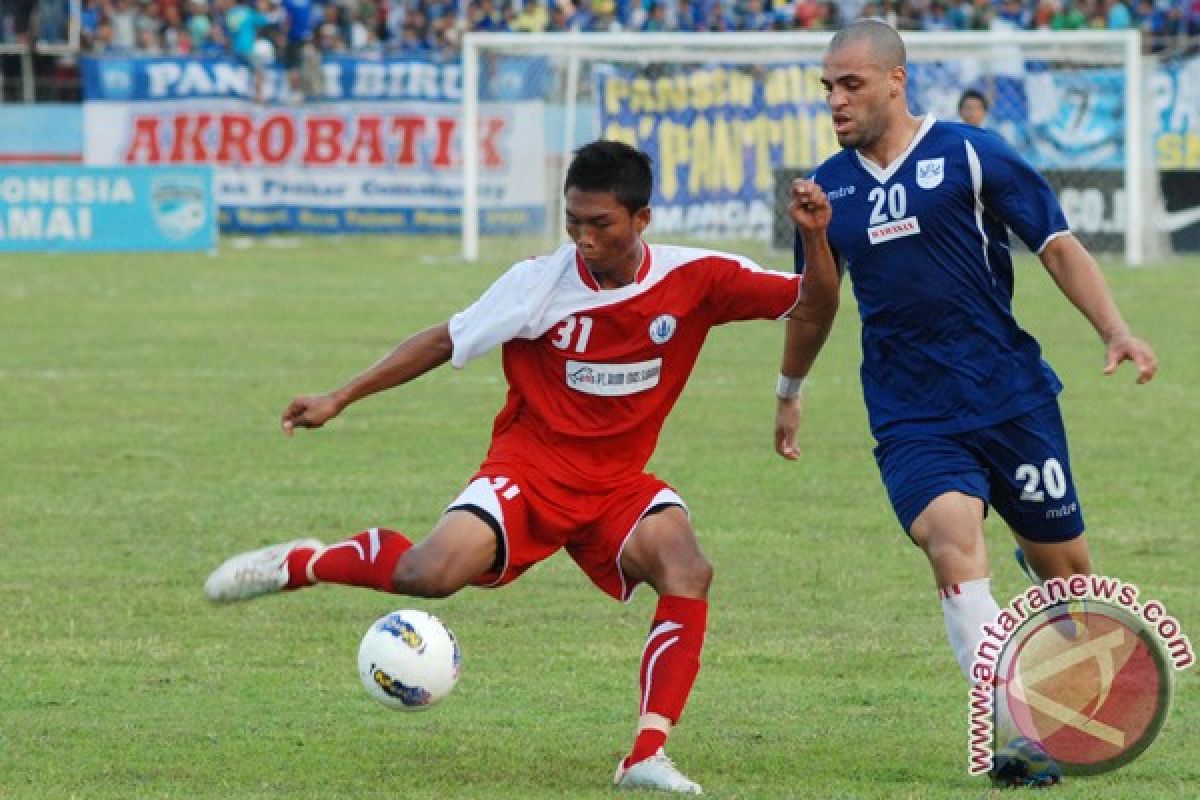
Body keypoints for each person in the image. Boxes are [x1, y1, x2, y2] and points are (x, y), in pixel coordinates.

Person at [205, 140, 841, 795]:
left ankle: (645, 755)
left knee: (688, 569)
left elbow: (813, 302)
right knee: (428, 574)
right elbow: (444, 339)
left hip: (617, 483)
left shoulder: (697, 278)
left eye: (601, 224)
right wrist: (340, 395)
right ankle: (303, 563)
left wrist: (816, 240)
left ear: (642, 219)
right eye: (573, 222)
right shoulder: (538, 285)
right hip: (529, 471)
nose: (584, 239)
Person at [773, 19, 1157, 788]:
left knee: (1070, 587)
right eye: (827, 88)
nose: (836, 102)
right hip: (910, 411)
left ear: (894, 80)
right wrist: (789, 389)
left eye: (850, 85)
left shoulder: (971, 154)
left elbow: (1056, 242)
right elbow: (815, 305)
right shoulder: (830, 189)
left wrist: (1114, 329)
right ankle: (1025, 729)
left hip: (1009, 397)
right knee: (950, 540)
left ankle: (1044, 576)